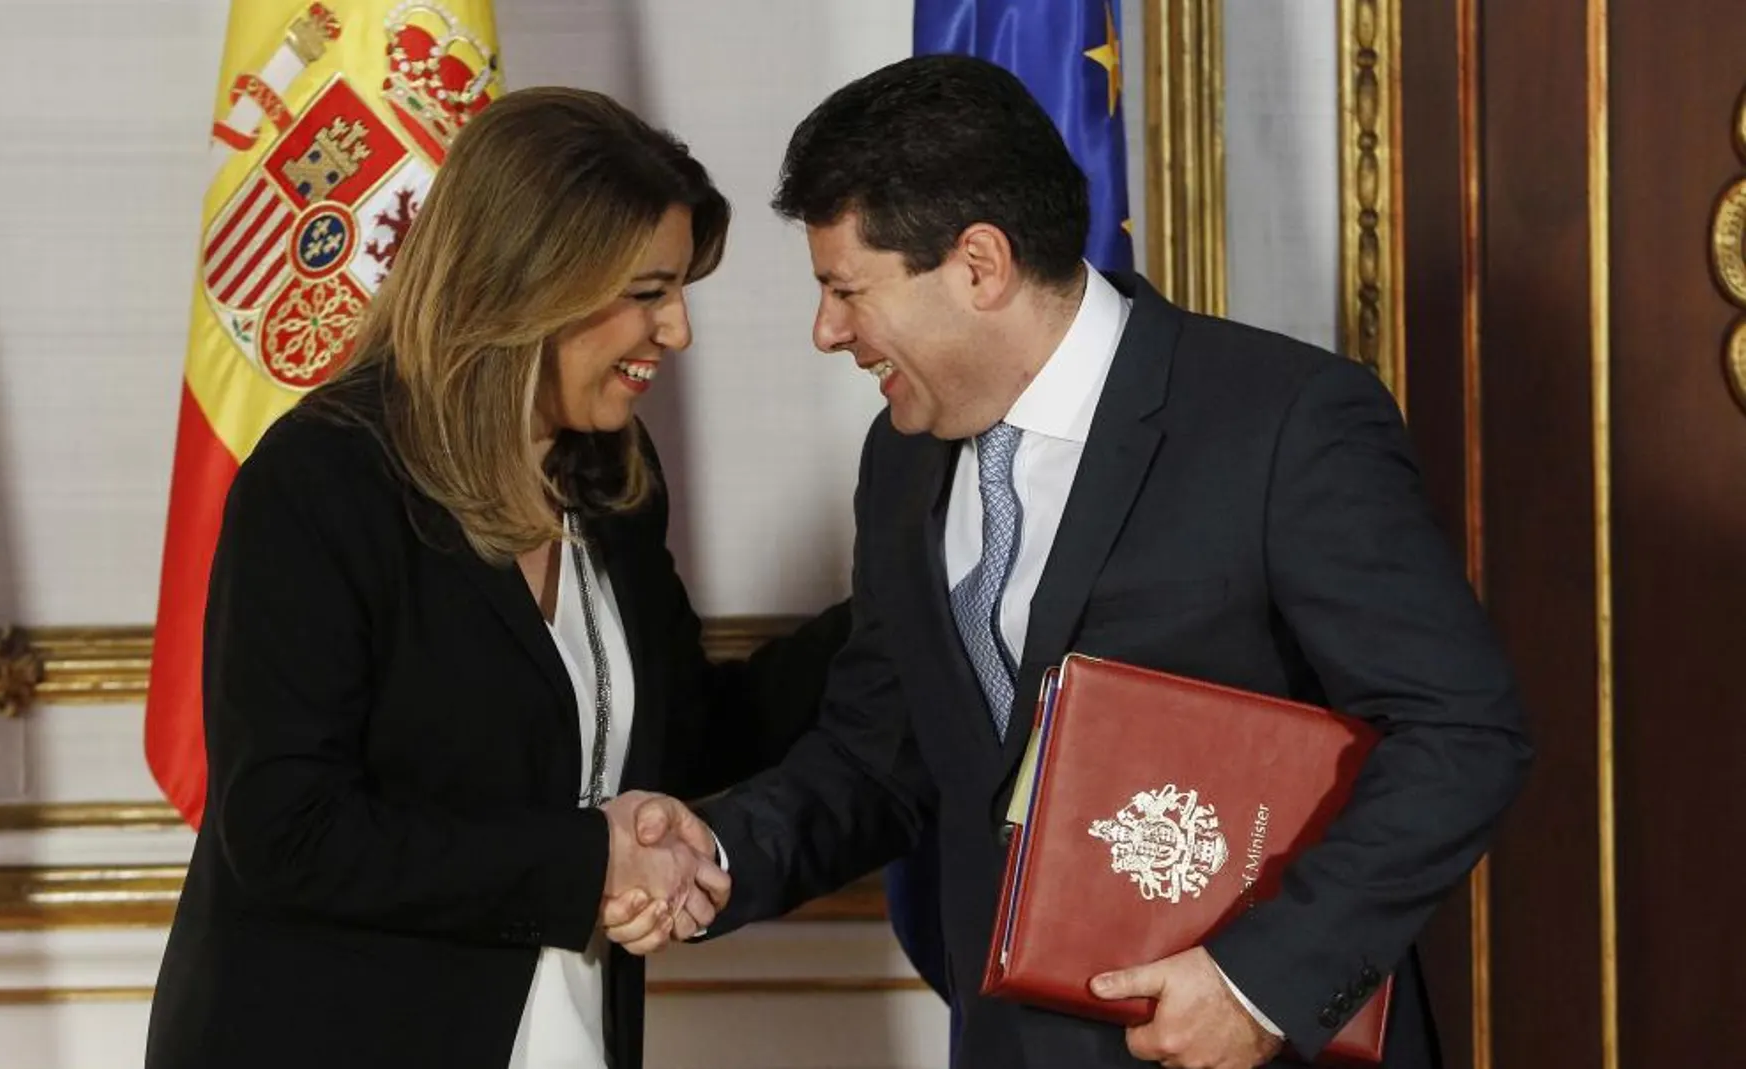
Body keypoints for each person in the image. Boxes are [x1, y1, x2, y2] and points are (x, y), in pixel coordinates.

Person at [611, 55, 1533, 1069]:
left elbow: (1462, 729)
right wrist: (718, 852)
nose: (827, 331)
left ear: (978, 263)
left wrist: (1257, 982)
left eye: (844, 289)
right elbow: (884, 752)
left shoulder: (1281, 422)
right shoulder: (900, 459)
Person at [144, 87, 850, 1069]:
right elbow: (287, 831)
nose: (676, 332)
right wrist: (587, 858)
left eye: (677, 291)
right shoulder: (324, 480)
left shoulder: (610, 479)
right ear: (530, 283)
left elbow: (680, 733)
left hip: (568, 1032)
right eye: (648, 293)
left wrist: (900, 609)